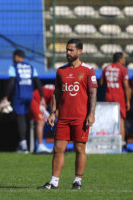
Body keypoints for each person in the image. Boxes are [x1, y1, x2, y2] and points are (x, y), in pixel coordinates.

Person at [39, 39, 97, 190]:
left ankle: (77, 181)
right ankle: (54, 182)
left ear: (79, 51)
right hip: (63, 117)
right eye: (67, 50)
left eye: (71, 50)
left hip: (80, 117)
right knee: (58, 149)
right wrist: (52, 112)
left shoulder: (88, 70)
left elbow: (93, 93)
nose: (68, 53)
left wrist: (91, 114)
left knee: (79, 149)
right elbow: (56, 93)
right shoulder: (61, 71)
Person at [0, 49, 45, 153]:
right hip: (30, 95)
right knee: (29, 119)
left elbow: (11, 81)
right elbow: (37, 81)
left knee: (20, 119)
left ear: (16, 56)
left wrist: (5, 96)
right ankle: (30, 144)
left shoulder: (13, 67)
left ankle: (23, 145)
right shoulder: (31, 67)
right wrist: (42, 96)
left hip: (19, 95)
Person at [100, 52, 131, 149]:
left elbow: (101, 82)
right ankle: (121, 144)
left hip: (108, 96)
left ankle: (109, 143)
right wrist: (128, 101)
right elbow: (126, 86)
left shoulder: (106, 68)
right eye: (124, 58)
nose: (125, 60)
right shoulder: (123, 70)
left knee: (109, 120)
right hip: (119, 98)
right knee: (121, 120)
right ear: (120, 59)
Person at [30, 84, 55, 153]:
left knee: (46, 118)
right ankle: (40, 146)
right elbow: (52, 106)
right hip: (35, 100)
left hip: (41, 103)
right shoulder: (58, 91)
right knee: (41, 121)